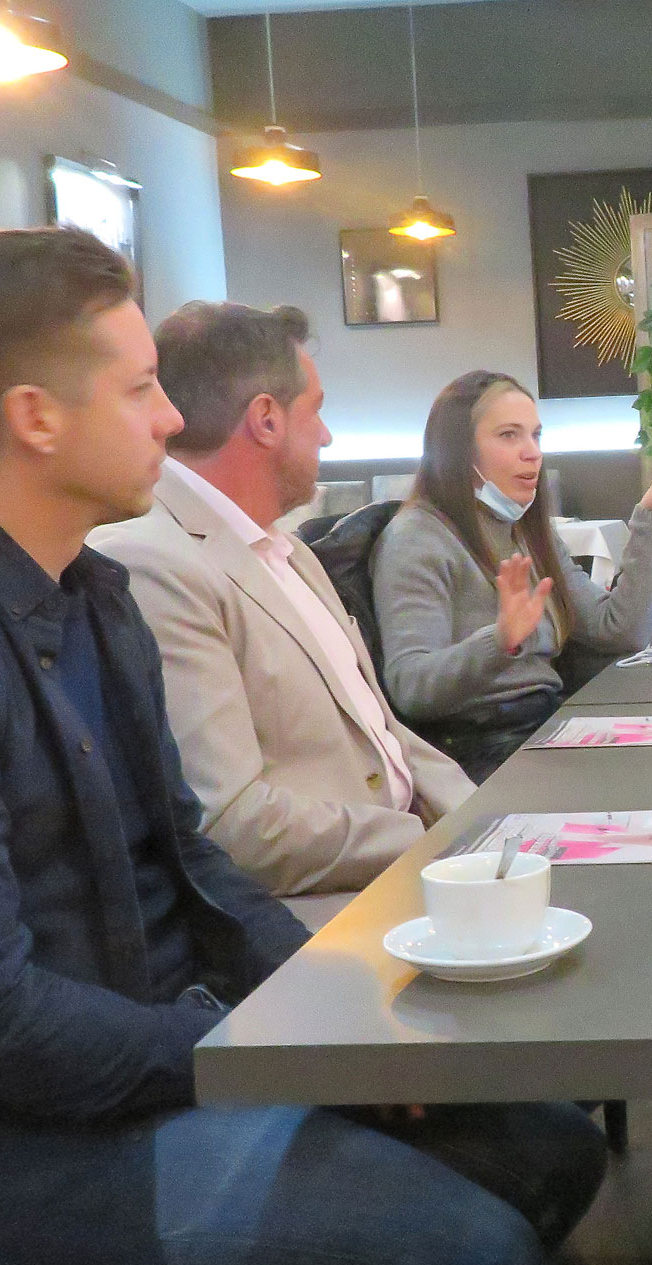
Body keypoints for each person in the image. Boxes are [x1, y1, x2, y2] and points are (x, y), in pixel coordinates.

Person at [0, 228, 605, 1265]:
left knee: (553, 1145)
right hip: (15, 1153)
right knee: (479, 1255)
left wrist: (330, 1020)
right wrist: (245, 1045)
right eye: (142, 387)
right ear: (35, 418)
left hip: (157, 1068)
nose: (169, 417)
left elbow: (195, 866)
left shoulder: (91, 598)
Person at [93, 301, 474, 905]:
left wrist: (489, 822)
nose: (326, 434)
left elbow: (382, 733)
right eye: (315, 410)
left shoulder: (285, 546)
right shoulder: (154, 562)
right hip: (324, 915)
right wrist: (432, 841)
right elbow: (231, 825)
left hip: (416, 868)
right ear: (266, 420)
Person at [374, 370, 652, 779]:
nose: (532, 452)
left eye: (536, 435)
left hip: (548, 727)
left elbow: (620, 630)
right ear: (458, 450)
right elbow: (411, 688)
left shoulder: (526, 531)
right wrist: (500, 641)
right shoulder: (417, 538)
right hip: (483, 752)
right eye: (509, 435)